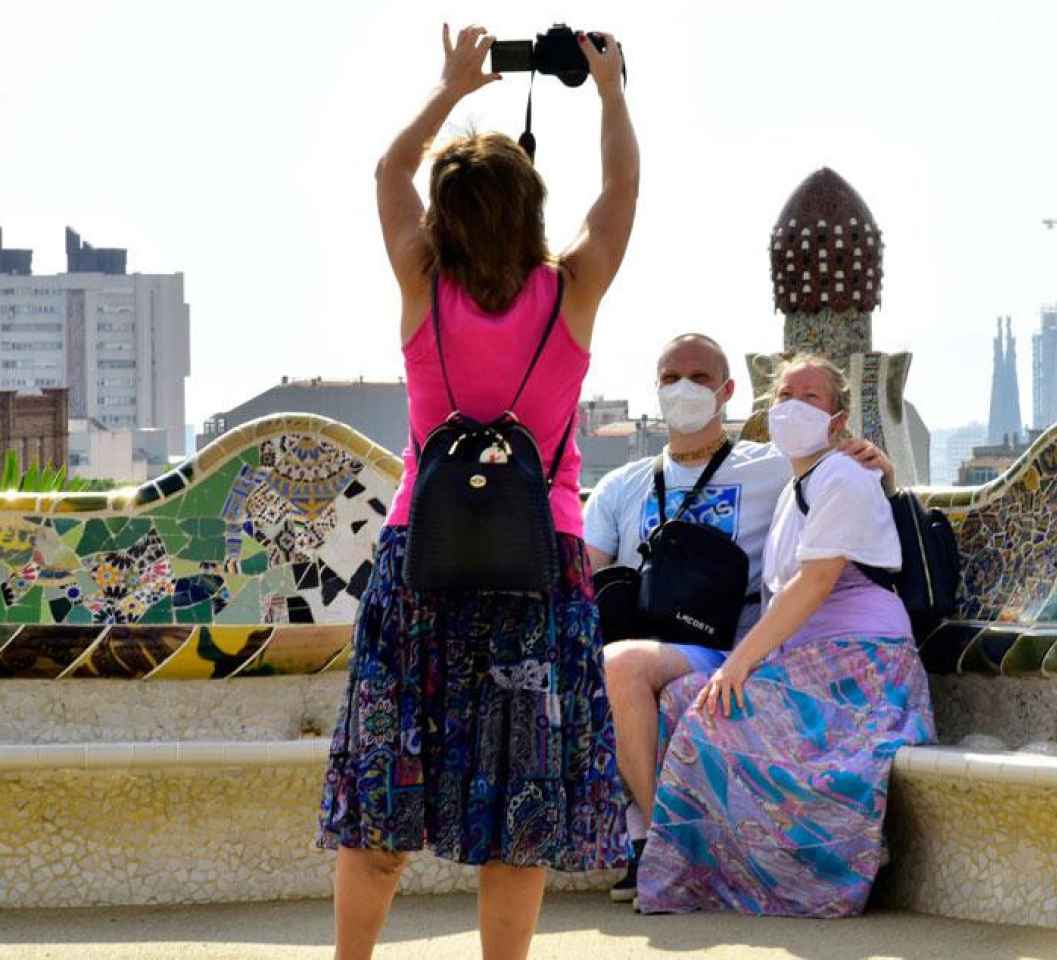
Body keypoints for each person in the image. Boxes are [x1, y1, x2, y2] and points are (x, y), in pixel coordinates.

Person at [316, 24, 636, 960]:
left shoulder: (423, 288)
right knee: (518, 814)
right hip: (538, 575)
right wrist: (611, 92)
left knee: (384, 800)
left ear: (445, 218)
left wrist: (454, 86)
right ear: (531, 209)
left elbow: (386, 172)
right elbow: (620, 195)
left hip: (425, 567)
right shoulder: (571, 294)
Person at [583, 334, 894, 902]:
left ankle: (659, 846)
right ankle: (656, 840)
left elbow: (841, 496)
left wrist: (882, 467)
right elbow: (582, 576)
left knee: (621, 667)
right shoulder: (618, 487)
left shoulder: (773, 467)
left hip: (730, 646)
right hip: (651, 640)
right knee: (614, 664)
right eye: (671, 376)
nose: (685, 388)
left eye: (700, 378)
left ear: (728, 391)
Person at [635, 355, 936, 918]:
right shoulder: (793, 487)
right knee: (679, 699)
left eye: (811, 398)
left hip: (861, 666)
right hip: (810, 659)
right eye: (783, 396)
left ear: (838, 419)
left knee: (710, 708)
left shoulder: (843, 475)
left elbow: (816, 581)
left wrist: (737, 664)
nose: (793, 407)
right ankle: (708, 872)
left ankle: (793, 881)